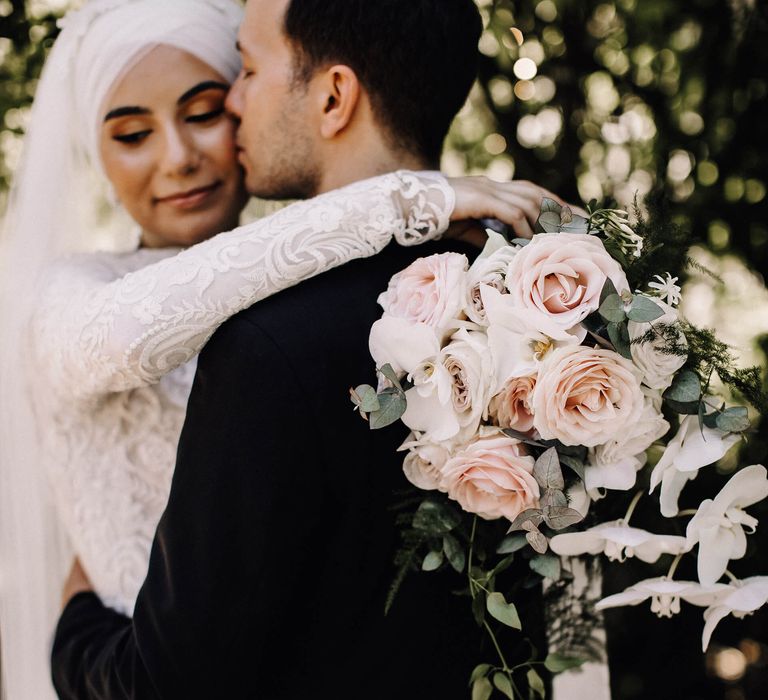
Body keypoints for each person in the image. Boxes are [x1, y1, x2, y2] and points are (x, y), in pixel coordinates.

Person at [0, 0, 566, 698]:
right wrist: (398, 199)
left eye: (210, 105)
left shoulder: (295, 324)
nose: (178, 159)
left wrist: (74, 623)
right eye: (131, 133)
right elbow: (119, 335)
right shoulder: (69, 292)